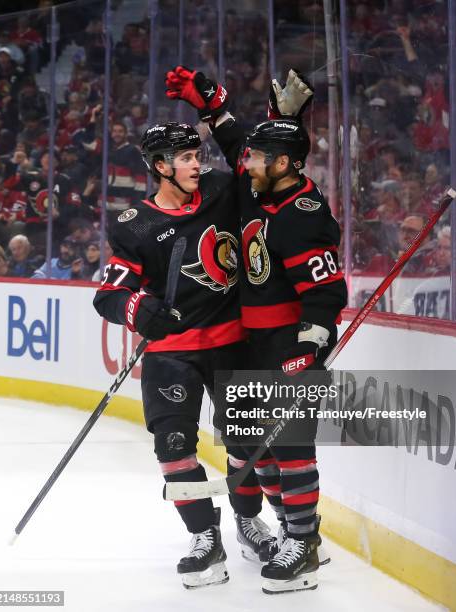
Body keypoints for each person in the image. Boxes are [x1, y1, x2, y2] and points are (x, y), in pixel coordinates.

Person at [166, 65, 347, 594]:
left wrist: (310, 348)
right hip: (248, 340)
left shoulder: (305, 212)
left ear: (286, 164)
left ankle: (304, 543)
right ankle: (288, 528)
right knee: (250, 442)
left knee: (291, 446)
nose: (247, 162)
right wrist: (212, 108)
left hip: (288, 343)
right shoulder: (257, 188)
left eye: (260, 157)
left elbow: (326, 293)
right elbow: (234, 143)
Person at [93, 122, 253, 589]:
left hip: (231, 343)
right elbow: (110, 295)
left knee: (245, 442)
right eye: (183, 158)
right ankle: (205, 536)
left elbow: (260, 167)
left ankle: (248, 520)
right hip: (171, 353)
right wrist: (139, 309)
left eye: (195, 154)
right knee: (175, 449)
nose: (195, 164)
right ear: (160, 167)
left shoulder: (222, 190)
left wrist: (224, 114)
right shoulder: (135, 224)